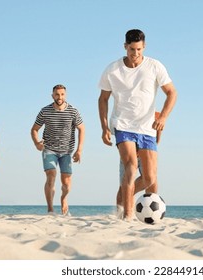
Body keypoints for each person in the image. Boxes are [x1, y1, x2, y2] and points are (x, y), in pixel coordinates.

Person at [98, 29, 177, 220]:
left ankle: (125, 192)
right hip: (123, 125)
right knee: (131, 166)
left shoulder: (155, 66)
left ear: (144, 47)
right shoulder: (112, 69)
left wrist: (163, 117)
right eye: (132, 49)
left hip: (147, 128)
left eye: (139, 49)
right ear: (125, 47)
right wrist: (104, 127)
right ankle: (128, 215)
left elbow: (172, 93)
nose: (135, 54)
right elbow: (103, 99)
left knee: (150, 178)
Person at [31, 84, 85, 216]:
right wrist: (37, 143)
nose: (59, 97)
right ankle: (50, 209)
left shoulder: (73, 111)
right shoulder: (45, 111)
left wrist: (79, 150)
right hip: (49, 149)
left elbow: (81, 129)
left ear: (65, 95)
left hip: (67, 151)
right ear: (52, 95)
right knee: (51, 175)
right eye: (57, 94)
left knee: (66, 183)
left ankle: (64, 198)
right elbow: (34, 129)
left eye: (62, 94)